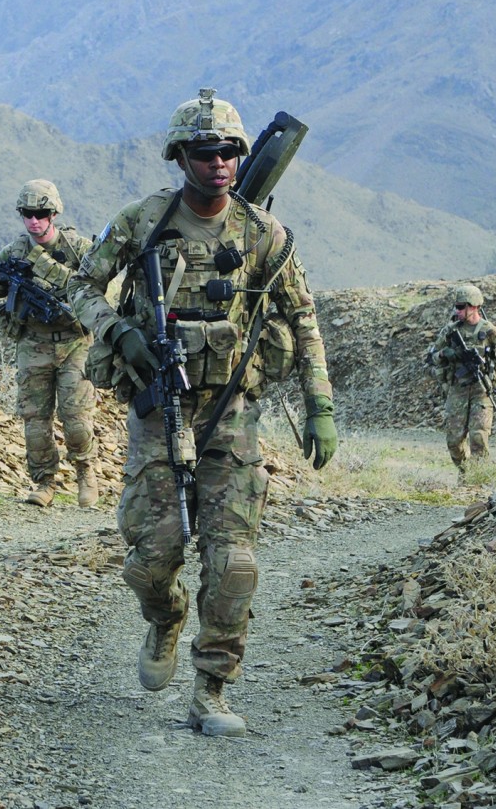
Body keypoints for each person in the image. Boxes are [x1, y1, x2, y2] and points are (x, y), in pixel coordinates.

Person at [68, 89, 337, 736]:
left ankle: (212, 689)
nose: (220, 162)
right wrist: (117, 332)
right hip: (160, 406)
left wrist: (320, 404)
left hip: (232, 409)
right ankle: (165, 617)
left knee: (236, 561)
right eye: (206, 151)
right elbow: (79, 286)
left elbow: (302, 318)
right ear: (181, 156)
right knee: (150, 560)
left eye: (231, 152)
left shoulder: (263, 235)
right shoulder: (143, 221)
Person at [0, 179, 99, 508]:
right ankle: (45, 483)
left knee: (76, 419)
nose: (34, 220)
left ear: (54, 213)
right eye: (27, 213)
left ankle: (86, 475)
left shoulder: (77, 248)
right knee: (35, 421)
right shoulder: (15, 251)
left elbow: (96, 285)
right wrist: (1, 283)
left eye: (41, 213)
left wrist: (46, 269)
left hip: (75, 343)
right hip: (33, 343)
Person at [428, 283, 496, 474]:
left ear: (474, 306)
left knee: (478, 437)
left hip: (481, 390)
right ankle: (465, 471)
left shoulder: (490, 331)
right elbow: (431, 357)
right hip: (457, 389)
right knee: (453, 441)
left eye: (461, 307)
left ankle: (477, 479)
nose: (457, 310)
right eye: (457, 306)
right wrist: (446, 353)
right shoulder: (450, 331)